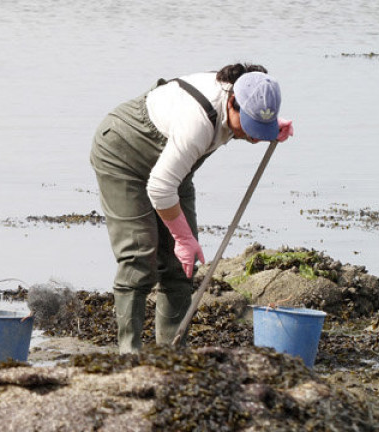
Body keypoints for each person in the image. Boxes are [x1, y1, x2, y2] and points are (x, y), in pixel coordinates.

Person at [89, 63, 294, 354]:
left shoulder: (245, 91)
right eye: (251, 126)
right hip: (122, 154)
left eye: (260, 128)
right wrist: (184, 239)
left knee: (181, 266)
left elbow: (168, 179)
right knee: (139, 255)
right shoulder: (197, 122)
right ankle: (128, 356)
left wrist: (270, 125)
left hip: (174, 166)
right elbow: (160, 188)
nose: (255, 137)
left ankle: (173, 353)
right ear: (232, 102)